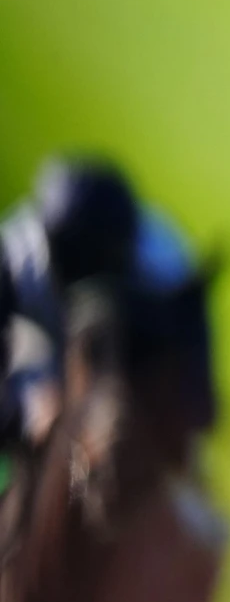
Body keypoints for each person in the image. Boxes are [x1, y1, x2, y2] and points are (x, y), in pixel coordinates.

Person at [0, 156, 194, 447]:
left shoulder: (164, 267)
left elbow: (196, 397)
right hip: (35, 368)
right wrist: (26, 410)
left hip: (122, 372)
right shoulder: (13, 259)